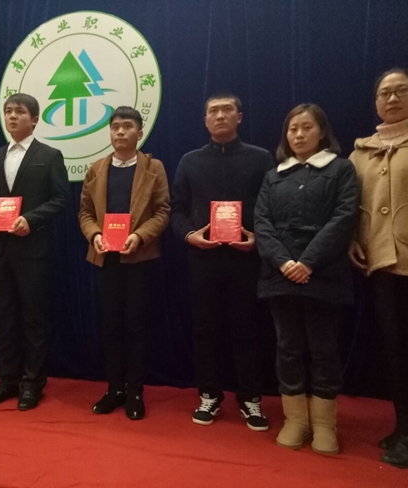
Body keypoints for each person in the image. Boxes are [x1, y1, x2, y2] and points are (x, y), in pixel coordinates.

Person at [254, 104, 358, 454]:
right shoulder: (274, 176)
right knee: (288, 347)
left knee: (323, 348)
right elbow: (262, 222)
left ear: (322, 132)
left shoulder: (341, 169)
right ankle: (296, 420)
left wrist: (308, 262)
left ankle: (325, 424)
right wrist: (284, 262)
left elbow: (344, 218)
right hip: (280, 275)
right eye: (292, 129)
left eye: (306, 128)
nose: (298, 135)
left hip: (323, 274)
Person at [170, 92, 273, 431]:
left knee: (248, 329)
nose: (220, 115)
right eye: (213, 111)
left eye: (227, 109)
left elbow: (272, 207)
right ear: (205, 120)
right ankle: (209, 395)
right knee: (204, 329)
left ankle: (250, 397)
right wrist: (189, 235)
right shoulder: (190, 161)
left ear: (239, 117)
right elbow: (176, 209)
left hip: (247, 259)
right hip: (203, 259)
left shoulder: (261, 158)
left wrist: (258, 239)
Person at [0, 93, 69, 410]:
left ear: (35, 119)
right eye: (8, 111)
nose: (12, 116)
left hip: (32, 250)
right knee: (4, 318)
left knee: (33, 319)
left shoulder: (50, 155)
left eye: (19, 111)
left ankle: (32, 383)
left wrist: (31, 219)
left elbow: (61, 199)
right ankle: (7, 379)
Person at [78, 106, 170, 420]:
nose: (120, 132)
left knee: (136, 326)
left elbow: (163, 211)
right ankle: (114, 389)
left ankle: (135, 392)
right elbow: (85, 212)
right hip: (105, 258)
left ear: (139, 133)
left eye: (127, 126)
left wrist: (140, 236)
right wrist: (94, 235)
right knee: (111, 326)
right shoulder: (96, 168)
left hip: (138, 258)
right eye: (115, 126)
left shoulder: (153, 167)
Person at [348, 68, 408, 469]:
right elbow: (351, 206)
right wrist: (351, 239)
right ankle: (406, 427)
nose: (392, 99)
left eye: (401, 91)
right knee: (396, 350)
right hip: (381, 263)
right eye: (384, 93)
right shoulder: (361, 152)